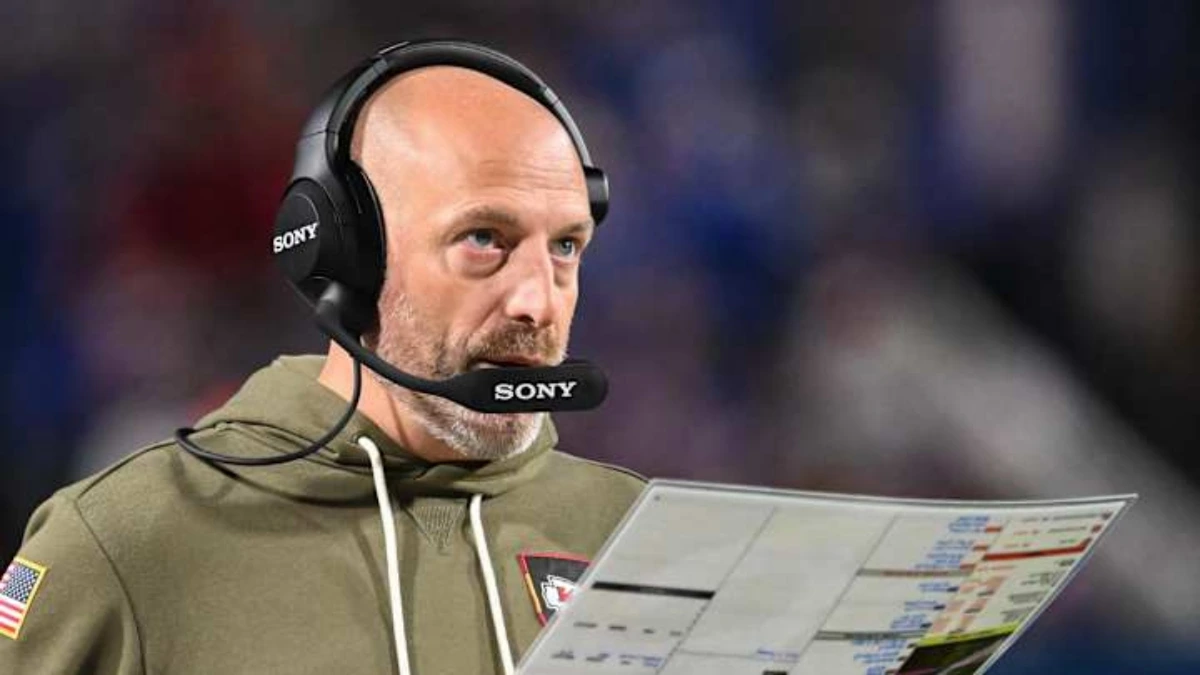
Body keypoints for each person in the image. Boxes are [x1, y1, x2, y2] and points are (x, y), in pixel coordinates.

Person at [0, 41, 644, 674]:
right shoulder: (131, 540)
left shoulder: (643, 537)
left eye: (565, 246)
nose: (538, 303)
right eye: (483, 239)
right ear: (346, 255)